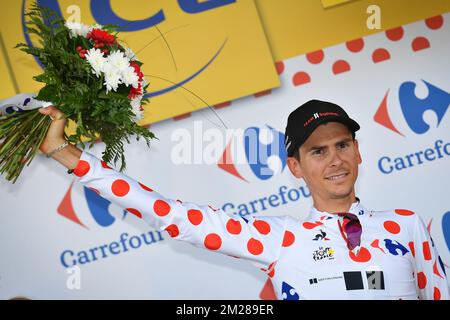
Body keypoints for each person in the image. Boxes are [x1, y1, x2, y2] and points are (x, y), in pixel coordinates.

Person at [4, 94, 448, 299]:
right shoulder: (280, 239)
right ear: (296, 167)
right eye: (318, 150)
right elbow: (170, 215)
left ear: (357, 150)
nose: (334, 159)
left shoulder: (406, 226)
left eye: (342, 145)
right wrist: (65, 153)